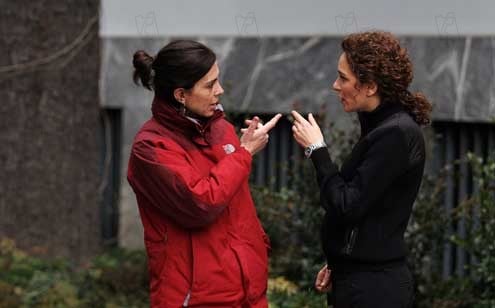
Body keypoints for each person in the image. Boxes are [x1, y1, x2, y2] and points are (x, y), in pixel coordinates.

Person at [127, 40, 281, 307]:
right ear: (180, 95)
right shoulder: (151, 147)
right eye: (209, 85)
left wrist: (240, 148)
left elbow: (232, 199)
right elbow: (201, 204)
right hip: (195, 298)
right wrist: (243, 154)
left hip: (250, 292)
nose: (219, 91)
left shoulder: (221, 129)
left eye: (217, 80)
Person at [291, 31, 432, 307]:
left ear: (370, 86)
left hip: (375, 289)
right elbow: (366, 208)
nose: (335, 85)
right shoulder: (382, 128)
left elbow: (347, 204)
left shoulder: (395, 134)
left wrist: (316, 150)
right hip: (361, 280)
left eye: (343, 78)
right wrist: (340, 262)